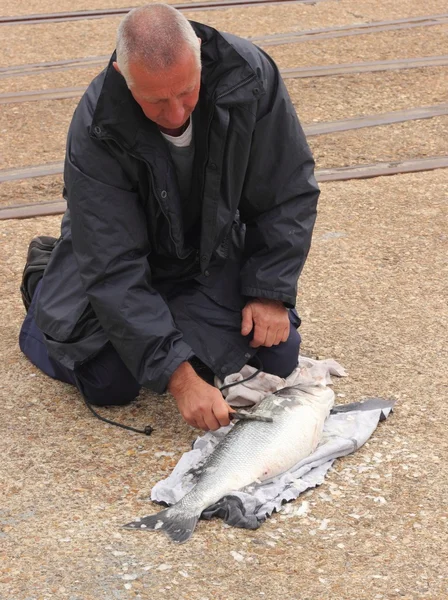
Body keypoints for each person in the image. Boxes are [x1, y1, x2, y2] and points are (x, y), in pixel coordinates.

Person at [19, 3, 320, 432]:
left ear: (198, 54)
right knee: (111, 382)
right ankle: (46, 290)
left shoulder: (249, 74)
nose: (176, 115)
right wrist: (180, 379)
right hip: (117, 253)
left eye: (186, 92)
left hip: (204, 246)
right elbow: (113, 265)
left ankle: (171, 326)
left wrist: (269, 289)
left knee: (277, 353)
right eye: (155, 101)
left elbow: (288, 188)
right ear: (125, 77)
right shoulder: (95, 125)